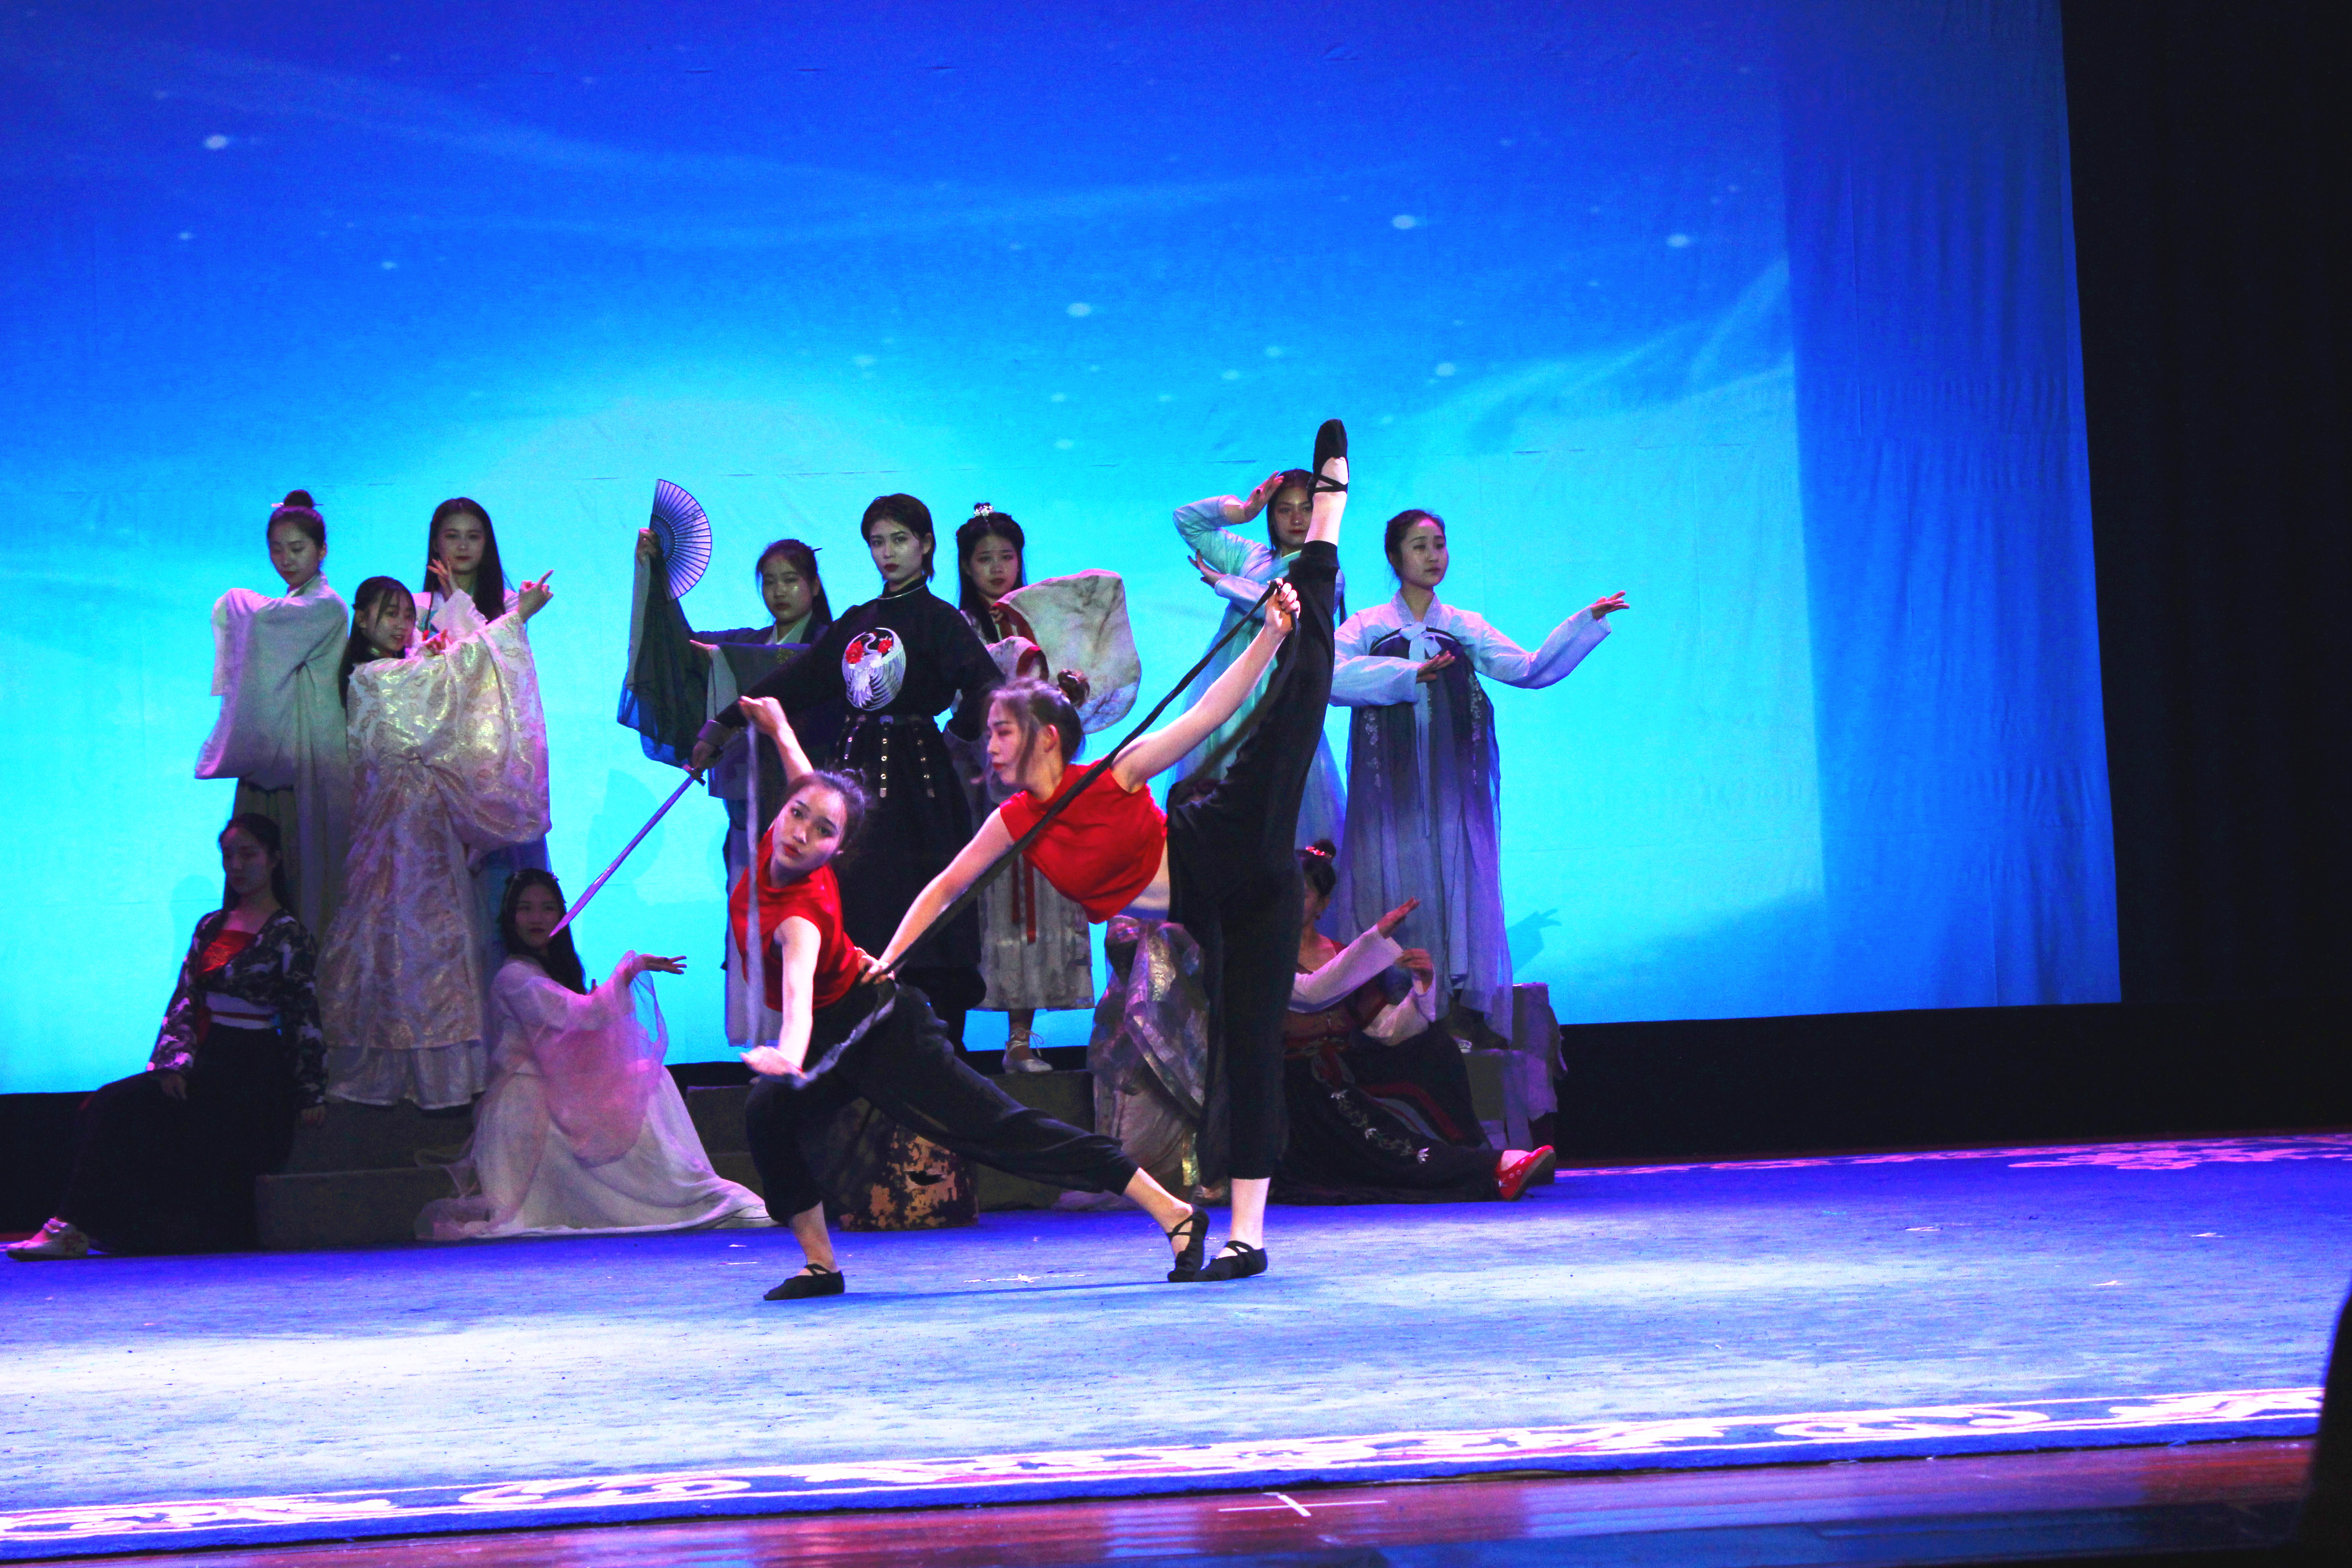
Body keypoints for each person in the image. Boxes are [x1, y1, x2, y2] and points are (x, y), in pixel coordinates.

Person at [873, 418, 1353, 1283]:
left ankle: (1325, 528)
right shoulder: (1014, 821)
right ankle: (1242, 1237)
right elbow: (945, 887)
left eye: (1000, 731)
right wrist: (889, 956)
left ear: (1045, 738)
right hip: (1222, 911)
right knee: (1243, 1053)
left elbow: (1207, 716)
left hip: (1228, 843)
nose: (988, 744)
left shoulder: (1115, 773)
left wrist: (1270, 635)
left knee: (1296, 700)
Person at [728, 696, 1206, 1300]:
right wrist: (779, 726)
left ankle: (1173, 1212)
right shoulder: (788, 838)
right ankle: (821, 1265)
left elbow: (798, 999)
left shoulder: (800, 917)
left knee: (1003, 1131)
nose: (802, 833)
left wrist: (788, 1056)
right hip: (837, 1030)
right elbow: (810, 789)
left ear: (838, 849)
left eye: (823, 831)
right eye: (797, 815)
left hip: (877, 1030)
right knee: (769, 1116)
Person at [689, 494, 1001, 1047]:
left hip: (921, 786)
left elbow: (985, 685)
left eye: (900, 540)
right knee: (854, 909)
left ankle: (939, 1051)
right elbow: (797, 680)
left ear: (926, 545)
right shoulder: (859, 621)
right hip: (854, 785)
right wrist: (723, 724)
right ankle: (853, 1046)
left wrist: (962, 733)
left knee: (927, 914)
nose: (888, 553)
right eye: (878, 542)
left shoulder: (939, 620)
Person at [1328, 509, 1626, 1047]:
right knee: (1393, 875)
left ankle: (1456, 1004)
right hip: (1392, 792)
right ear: (1394, 556)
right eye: (1419, 546)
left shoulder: (1464, 625)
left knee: (1457, 876)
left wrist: (1585, 622)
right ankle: (1395, 1005)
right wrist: (1405, 673)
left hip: (1450, 788)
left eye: (1439, 544)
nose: (1433, 556)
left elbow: (1527, 668)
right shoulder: (1367, 626)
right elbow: (1329, 678)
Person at [10, 817, 325, 1259]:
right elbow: (186, 998)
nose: (236, 865)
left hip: (252, 1070)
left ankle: (77, 1228)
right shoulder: (213, 926)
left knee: (132, 1116)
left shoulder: (288, 934)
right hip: (206, 1056)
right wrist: (173, 1064)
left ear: (273, 860)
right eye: (229, 856)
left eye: (248, 854)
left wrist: (310, 1091)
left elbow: (302, 1014)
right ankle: (78, 1225)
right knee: (109, 1105)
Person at [416, 871, 768, 1240]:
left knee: (651, 1078)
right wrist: (629, 970)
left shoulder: (549, 969)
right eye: (526, 908)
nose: (537, 918)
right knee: (643, 1088)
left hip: (554, 1095)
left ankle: (696, 1192)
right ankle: (696, 1200)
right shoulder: (514, 976)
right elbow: (578, 1015)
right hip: (528, 1109)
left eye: (547, 908)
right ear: (510, 916)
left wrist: (603, 1003)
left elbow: (577, 1027)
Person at [319, 571, 554, 1109]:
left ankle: (437, 1076)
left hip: (423, 829)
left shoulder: (399, 671)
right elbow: (451, 677)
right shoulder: (373, 678)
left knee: (433, 943)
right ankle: (397, 1073)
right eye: (390, 613)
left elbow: (445, 677)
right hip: (395, 832)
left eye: (408, 614)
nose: (402, 624)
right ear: (362, 618)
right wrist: (516, 618)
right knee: (403, 942)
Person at [620, 532, 842, 1047]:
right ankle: (764, 1042)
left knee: (808, 927)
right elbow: (679, 649)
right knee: (755, 922)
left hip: (812, 819)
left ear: (814, 586)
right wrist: (655, 579)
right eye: (770, 582)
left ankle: (813, 1044)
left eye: (791, 580)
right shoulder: (746, 646)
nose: (779, 591)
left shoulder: (830, 648)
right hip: (750, 816)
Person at [1276, 842, 1556, 1204]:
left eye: (1302, 893)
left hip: (1346, 1069)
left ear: (1323, 904)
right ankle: (1494, 1168)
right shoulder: (1265, 953)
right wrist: (1375, 938)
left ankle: (1476, 1153)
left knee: (1434, 1047)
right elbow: (1311, 993)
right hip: (1299, 1082)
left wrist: (1422, 985)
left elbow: (1388, 1031)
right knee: (1355, 1114)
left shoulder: (1343, 954)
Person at [954, 505, 1094, 1072]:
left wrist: (1071, 695)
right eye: (983, 559)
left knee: (1038, 898)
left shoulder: (1046, 621)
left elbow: (1074, 710)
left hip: (1042, 781)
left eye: (1006, 557)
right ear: (965, 566)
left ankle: (1019, 1038)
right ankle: (949, 1041)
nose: (996, 569)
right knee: (985, 902)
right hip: (980, 779)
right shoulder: (956, 627)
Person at [194, 490, 354, 937]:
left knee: (306, 865)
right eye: (277, 549)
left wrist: (235, 599)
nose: (286, 559)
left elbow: (262, 620)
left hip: (310, 756)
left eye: (298, 548)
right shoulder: (294, 603)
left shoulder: (325, 605)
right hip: (278, 751)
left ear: (322, 551)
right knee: (264, 864)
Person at [1170, 468, 1346, 848]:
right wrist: (1244, 511)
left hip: (1278, 692)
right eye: (1285, 509)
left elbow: (1282, 603)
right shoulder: (1250, 556)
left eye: (1307, 508)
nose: (1297, 519)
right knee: (1216, 797)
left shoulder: (1323, 573)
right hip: (1229, 690)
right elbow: (1186, 520)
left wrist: (1224, 583)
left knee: (1275, 803)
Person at [412, 497, 553, 961]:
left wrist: (513, 615)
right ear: (435, 543)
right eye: (452, 536)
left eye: (474, 537)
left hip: (495, 763)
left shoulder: (508, 605)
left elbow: (502, 673)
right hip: (439, 761)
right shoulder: (417, 607)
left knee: (501, 898)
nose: (463, 546)